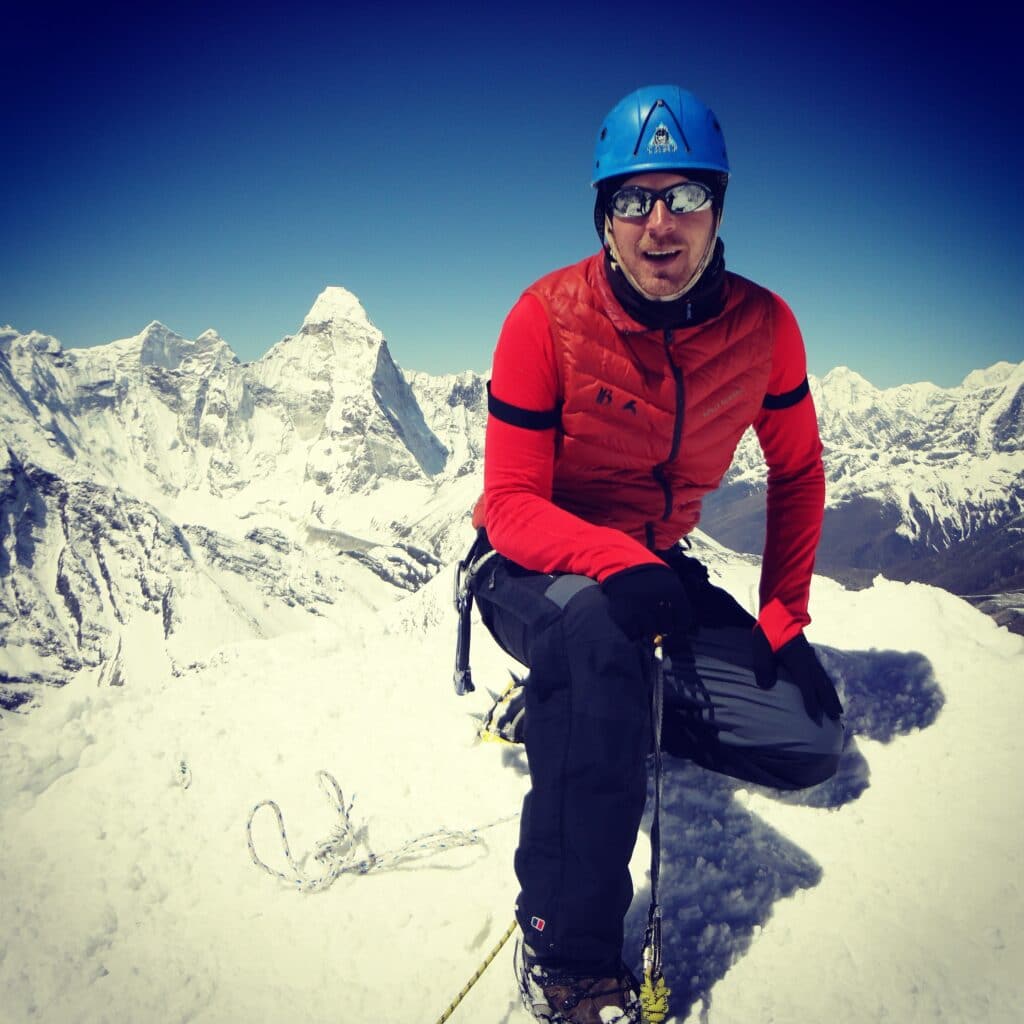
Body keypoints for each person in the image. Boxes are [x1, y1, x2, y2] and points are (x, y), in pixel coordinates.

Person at [459, 84, 844, 1024]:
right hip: (531, 567)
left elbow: (798, 470)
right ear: (604, 216)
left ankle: (597, 705)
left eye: (686, 195)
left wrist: (784, 617)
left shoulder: (764, 329)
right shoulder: (543, 318)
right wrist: (614, 563)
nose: (659, 224)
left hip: (652, 567)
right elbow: (508, 502)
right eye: (633, 199)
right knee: (594, 635)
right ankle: (569, 957)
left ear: (719, 208)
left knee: (806, 742)